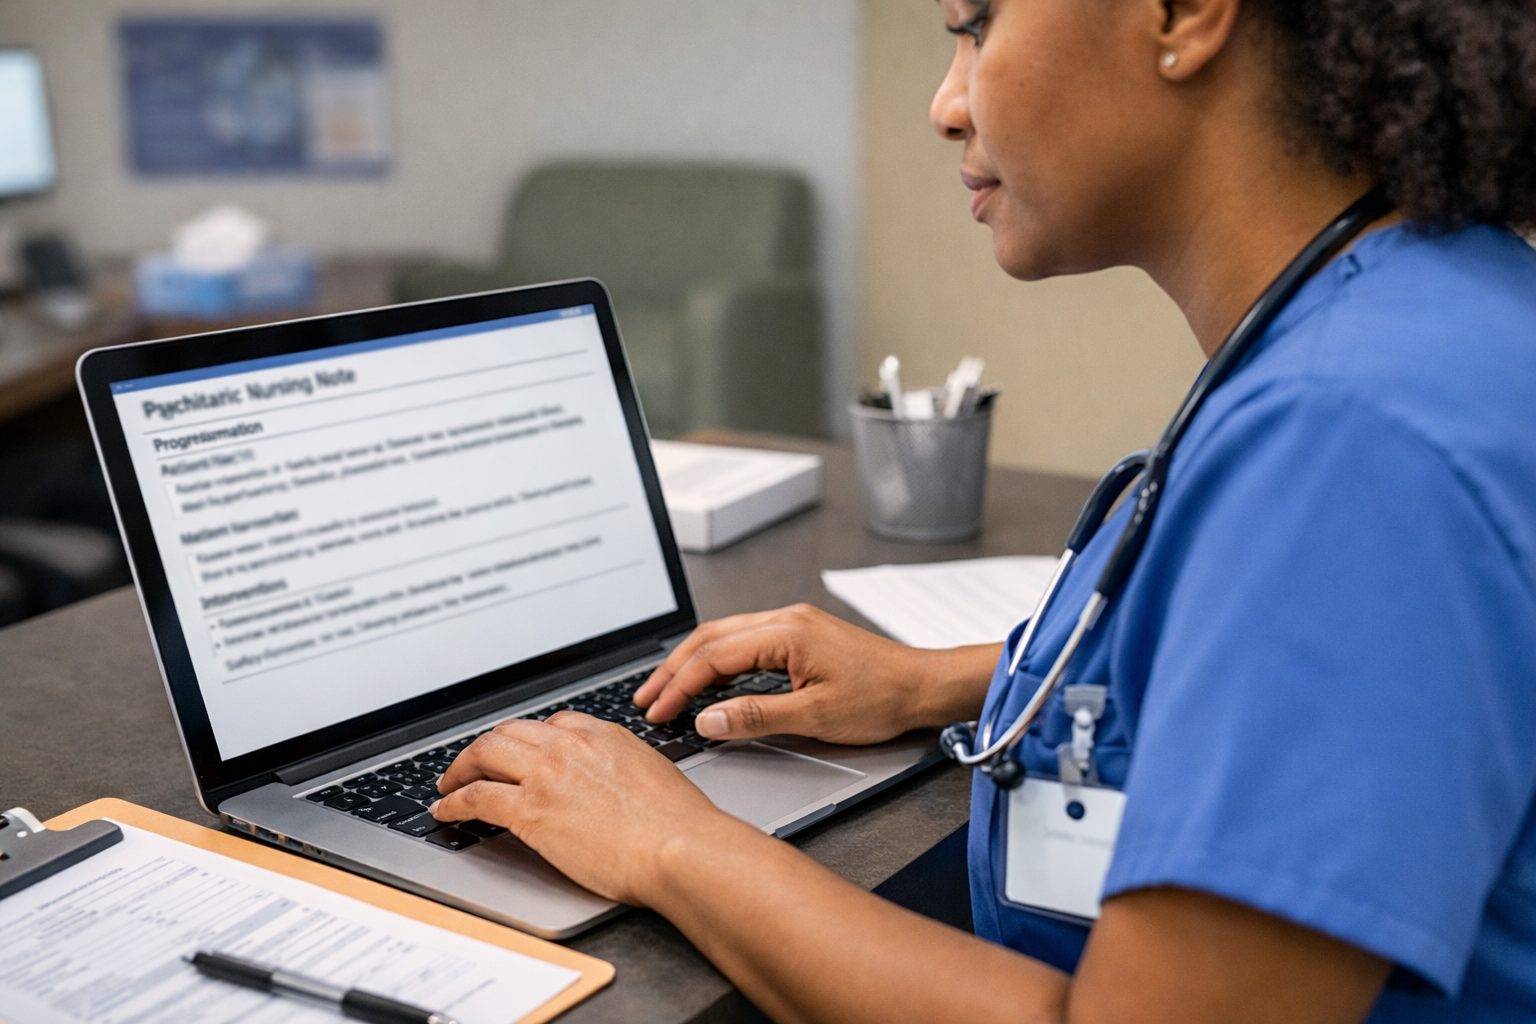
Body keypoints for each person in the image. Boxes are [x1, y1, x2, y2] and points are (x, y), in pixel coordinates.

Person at [430, 0, 1536, 1020]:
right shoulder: (1427, 310)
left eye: (977, 23)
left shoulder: (1351, 442)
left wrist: (667, 840)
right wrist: (945, 679)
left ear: (1186, 13)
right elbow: (1303, 681)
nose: (946, 102)